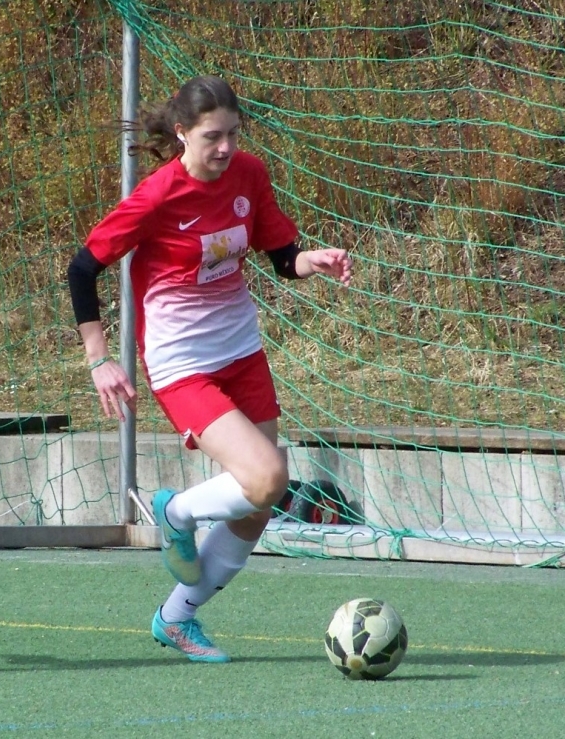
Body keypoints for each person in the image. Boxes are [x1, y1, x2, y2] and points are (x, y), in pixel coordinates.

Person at [67, 76, 352, 663]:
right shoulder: (157, 197)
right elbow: (82, 269)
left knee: (257, 505)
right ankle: (175, 512)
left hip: (241, 351)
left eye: (233, 135)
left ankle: (176, 618)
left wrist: (312, 260)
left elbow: (281, 257)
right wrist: (99, 358)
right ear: (182, 133)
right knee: (267, 477)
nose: (225, 148)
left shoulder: (249, 174)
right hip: (181, 363)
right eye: (212, 137)